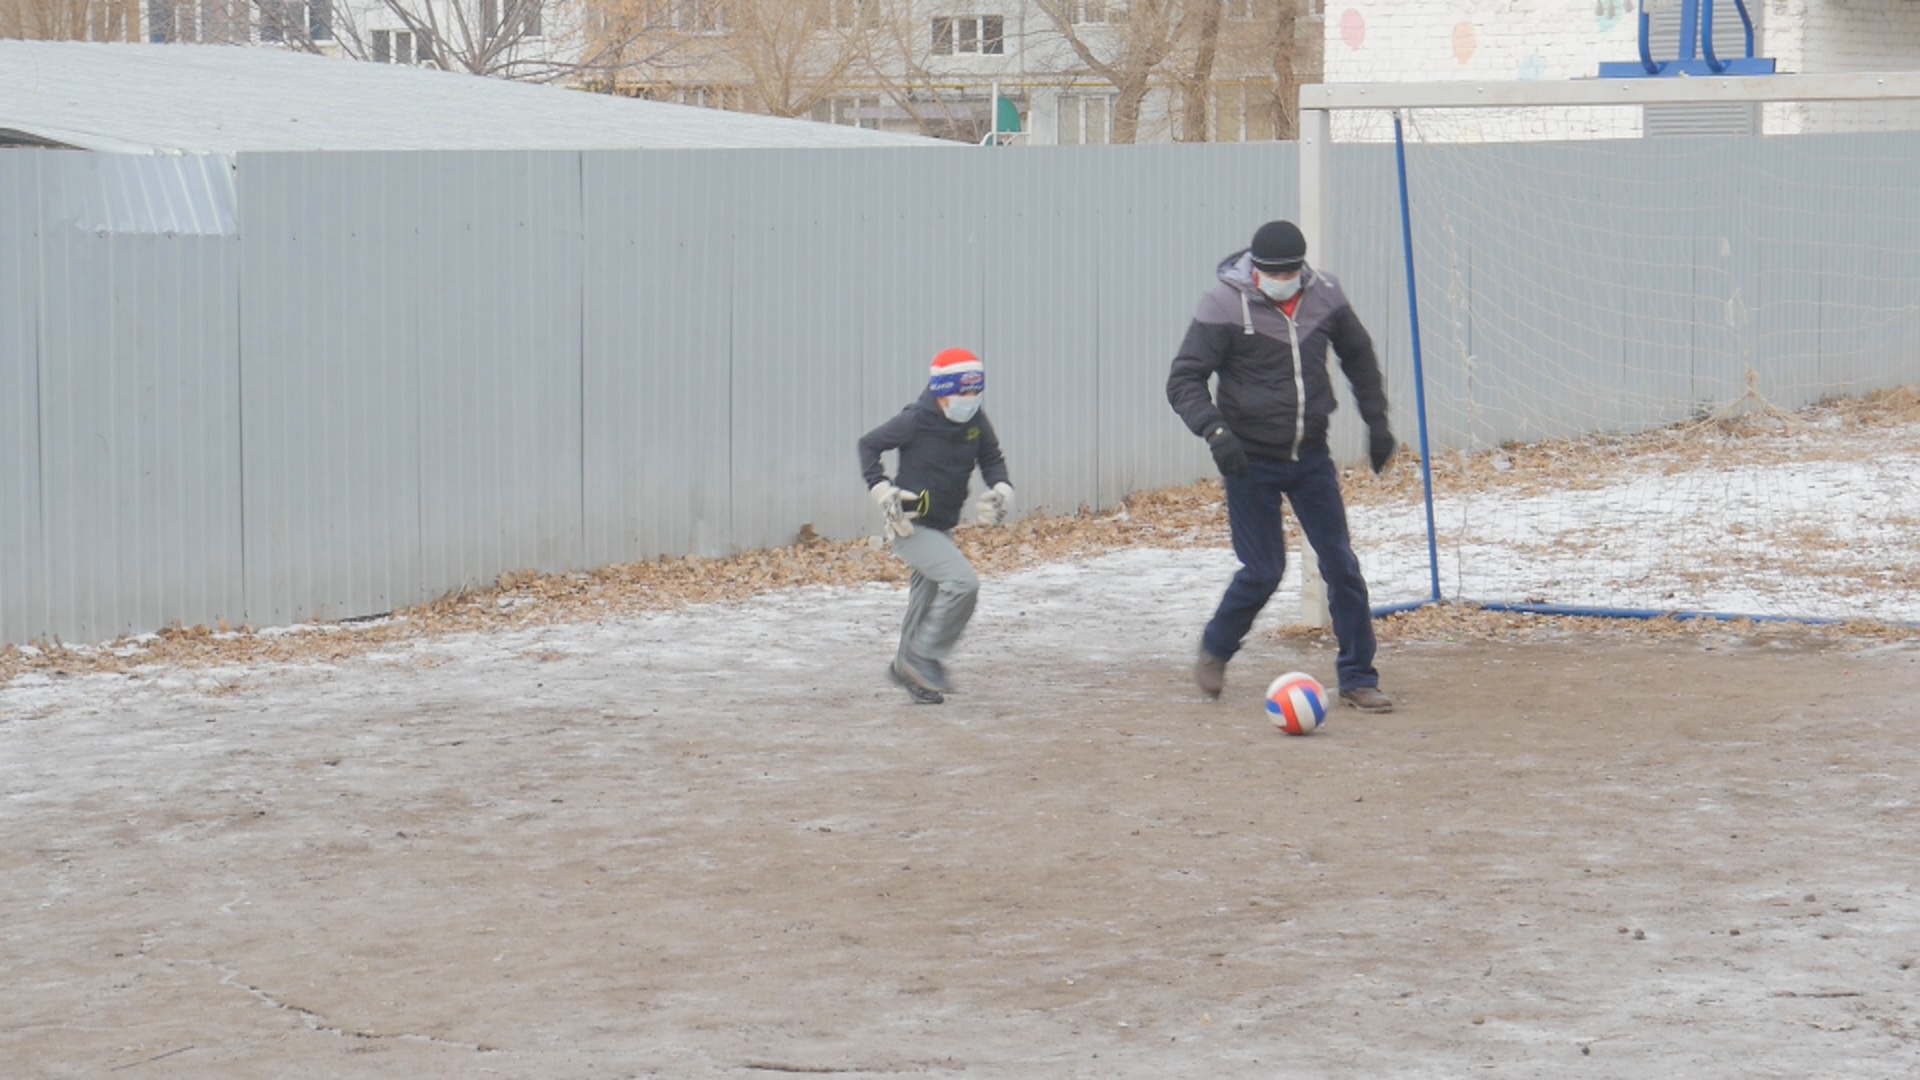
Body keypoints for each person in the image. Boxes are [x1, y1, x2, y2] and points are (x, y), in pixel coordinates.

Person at [1166, 219, 1397, 713]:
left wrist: (1376, 423)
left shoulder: (1324, 295)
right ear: (1256, 269)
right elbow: (1184, 379)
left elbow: (1358, 356)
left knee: (1342, 564)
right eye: (1274, 273)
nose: (1283, 280)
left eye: (1291, 272)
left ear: (1302, 268)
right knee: (1264, 568)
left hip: (1310, 454)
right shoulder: (1223, 304)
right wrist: (1215, 430)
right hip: (1248, 458)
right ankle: (1216, 649)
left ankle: (1358, 677)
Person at [858, 348, 1015, 705]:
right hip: (910, 527)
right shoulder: (915, 420)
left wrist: (1001, 490)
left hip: (942, 524)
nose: (972, 400)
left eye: (977, 392)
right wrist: (882, 490)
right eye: (965, 392)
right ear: (943, 392)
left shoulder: (975, 421)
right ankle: (922, 657)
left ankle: (906, 667)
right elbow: (868, 446)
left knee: (924, 599)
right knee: (964, 583)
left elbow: (992, 459)